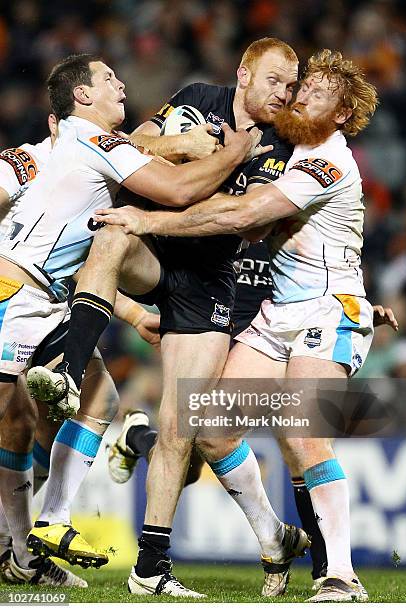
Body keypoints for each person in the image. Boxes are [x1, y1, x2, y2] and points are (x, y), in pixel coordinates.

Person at [27, 40, 314, 598]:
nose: (284, 93)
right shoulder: (198, 98)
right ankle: (69, 363)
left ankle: (150, 567)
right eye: (276, 80)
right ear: (244, 74)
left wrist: (204, 168)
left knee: (184, 427)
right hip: (156, 256)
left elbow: (243, 220)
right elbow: (133, 144)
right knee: (112, 233)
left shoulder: (284, 143)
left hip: (211, 282)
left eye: (291, 85)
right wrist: (185, 143)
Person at [94, 49, 379, 603]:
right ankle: (275, 536)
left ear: (342, 114)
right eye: (300, 88)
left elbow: (242, 215)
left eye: (316, 93)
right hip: (278, 314)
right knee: (212, 426)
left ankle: (341, 574)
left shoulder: (328, 160)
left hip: (327, 309)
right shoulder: (291, 147)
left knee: (303, 433)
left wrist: (147, 219)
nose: (299, 97)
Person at [0, 118, 161, 585]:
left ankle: (31, 540)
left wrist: (131, 315)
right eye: (107, 80)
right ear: (59, 121)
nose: (120, 86)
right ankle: (23, 552)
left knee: (92, 401)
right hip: (14, 296)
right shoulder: (32, 159)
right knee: (15, 419)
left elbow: (84, 266)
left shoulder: (102, 170)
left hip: (49, 303)